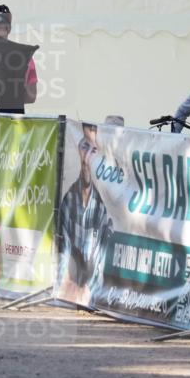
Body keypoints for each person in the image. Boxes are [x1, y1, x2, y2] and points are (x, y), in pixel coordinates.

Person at [58, 123, 113, 307]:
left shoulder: (103, 209)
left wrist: (87, 292)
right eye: (85, 146)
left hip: (89, 295)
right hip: (69, 290)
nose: (87, 156)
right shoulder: (69, 200)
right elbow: (63, 252)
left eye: (94, 150)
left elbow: (100, 266)